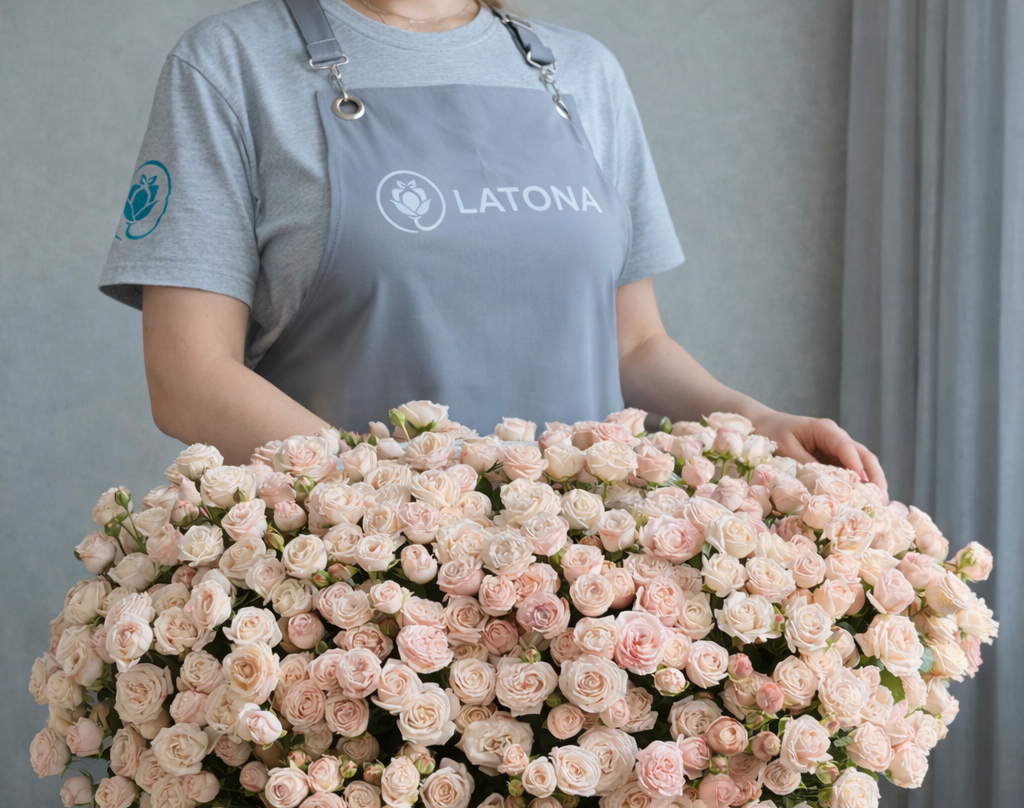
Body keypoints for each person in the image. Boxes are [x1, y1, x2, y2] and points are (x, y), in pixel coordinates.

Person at [100, 0, 885, 488]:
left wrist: (756, 421)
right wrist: (411, 506)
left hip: (578, 596)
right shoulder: (230, 66)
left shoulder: (581, 74)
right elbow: (188, 377)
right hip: (339, 600)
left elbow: (634, 341)